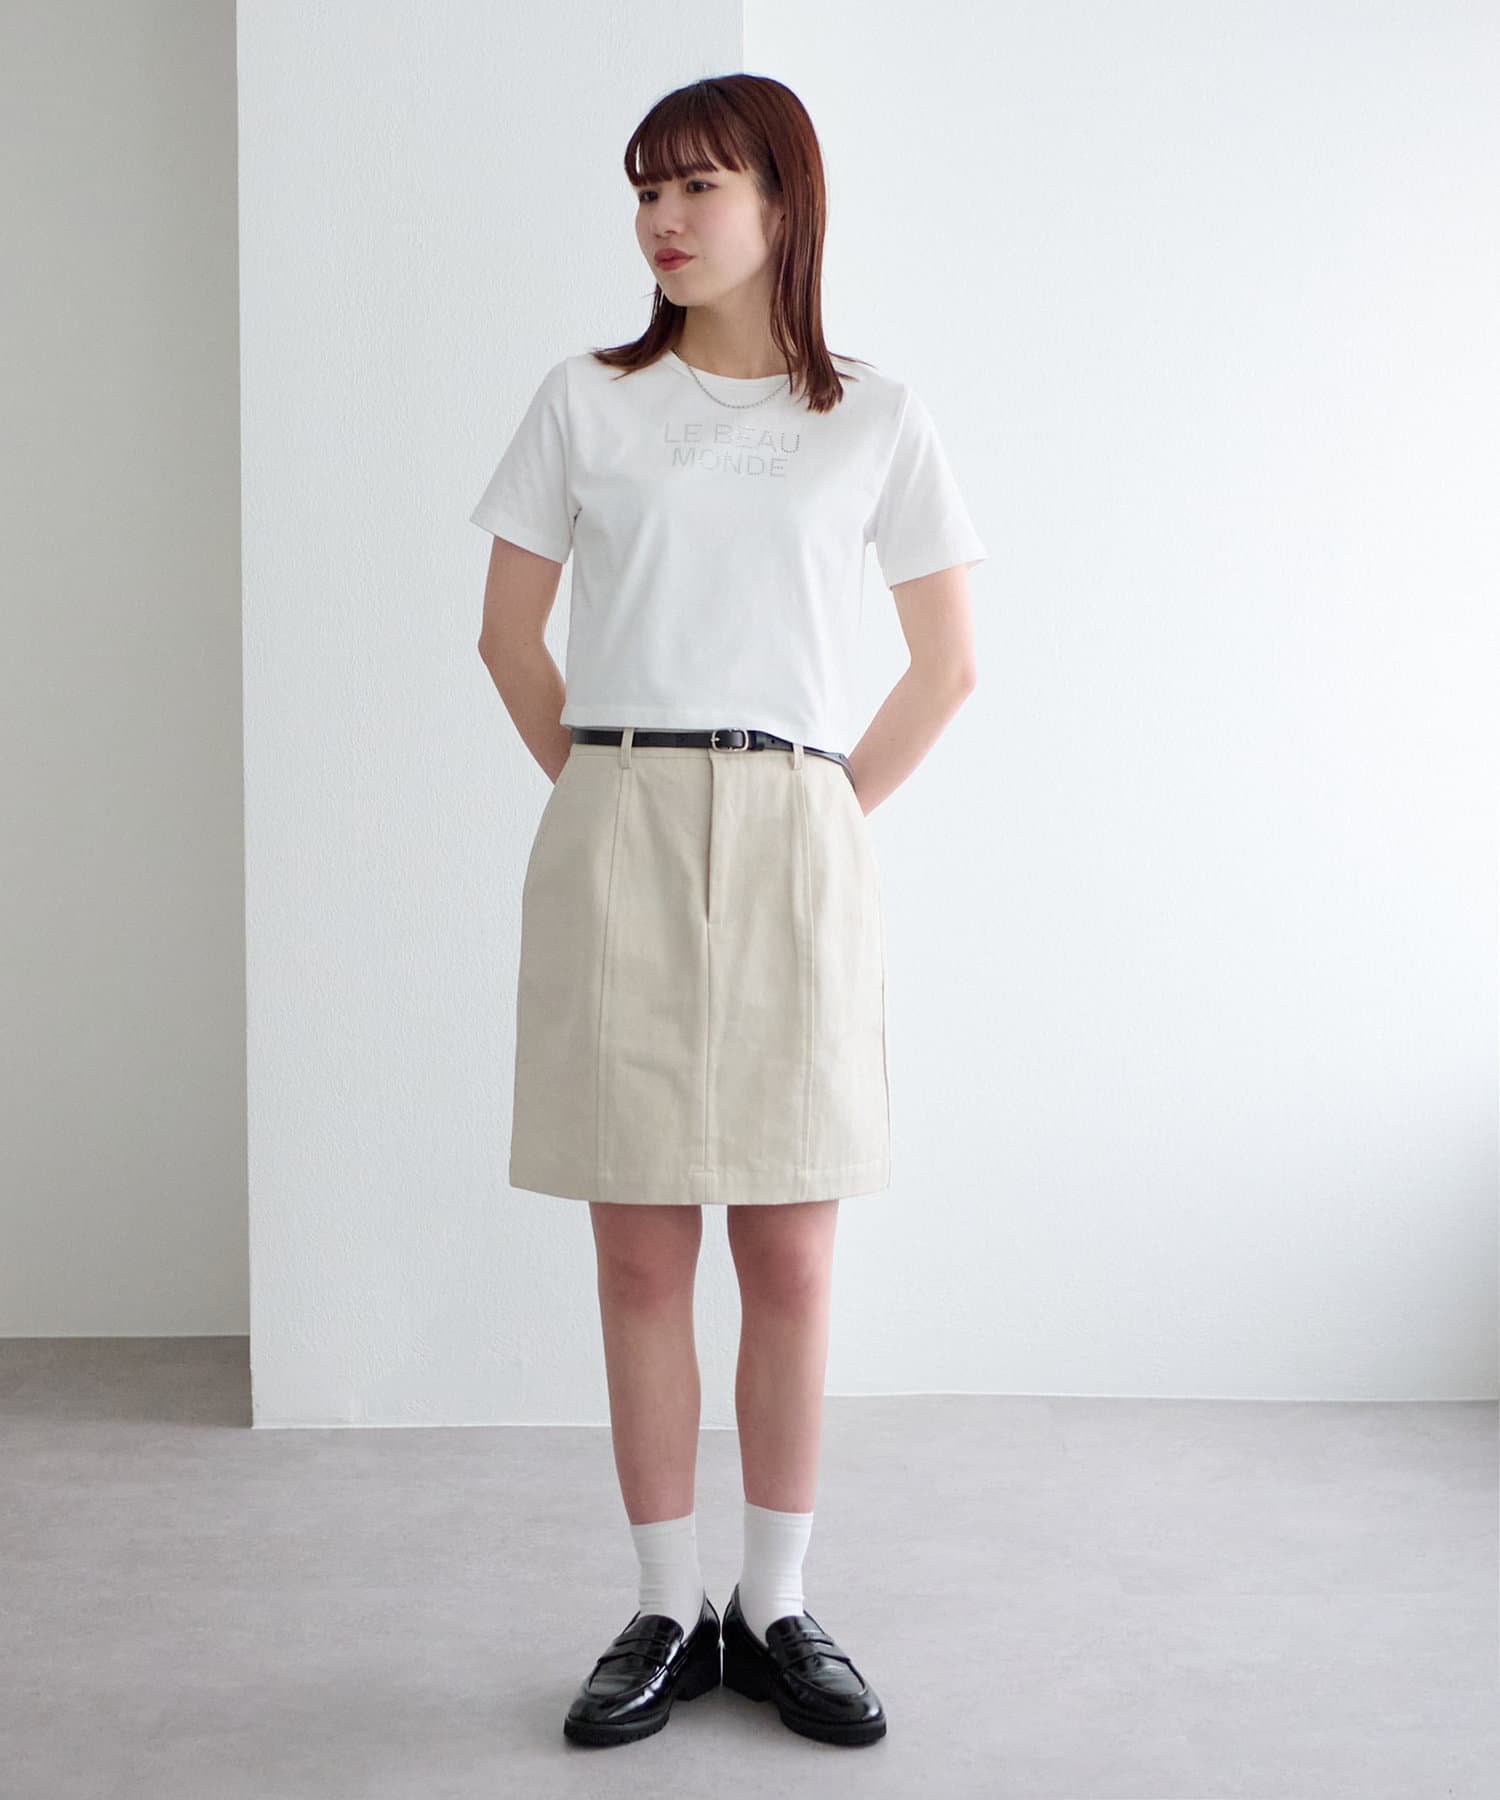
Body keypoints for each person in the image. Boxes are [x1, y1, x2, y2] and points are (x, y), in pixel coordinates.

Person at [470, 74, 986, 1750]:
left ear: (783, 201)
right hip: (618, 812)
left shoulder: (874, 419)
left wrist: (816, 812)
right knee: (638, 1250)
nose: (663, 220)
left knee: (791, 1248)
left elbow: (948, 664)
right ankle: (661, 1605)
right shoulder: (586, 400)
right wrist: (609, 799)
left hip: (793, 826)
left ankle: (777, 1605)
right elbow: (508, 639)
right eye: (646, 192)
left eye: (696, 186)